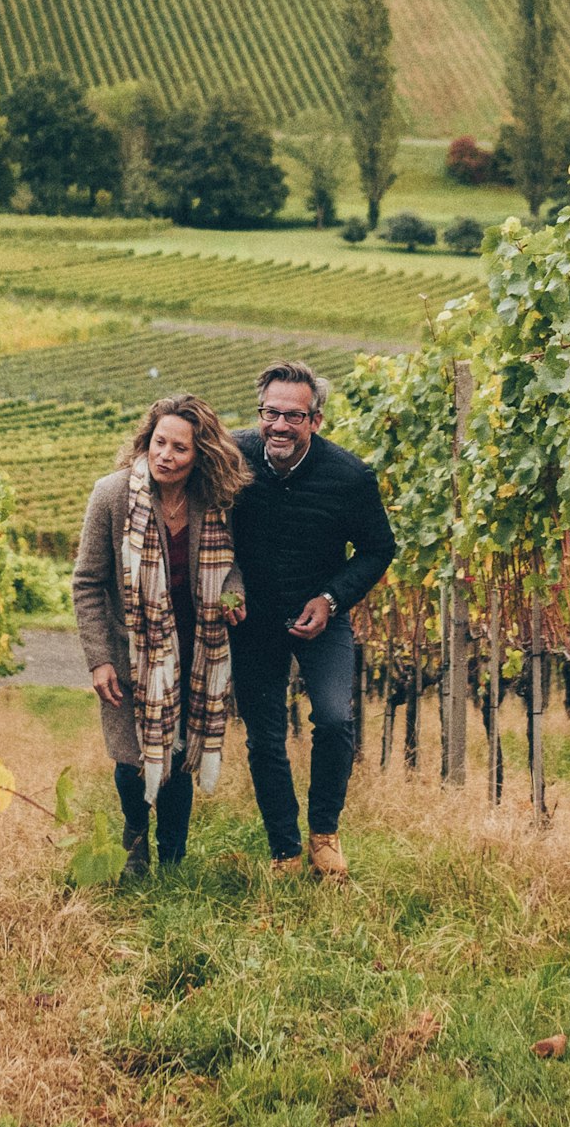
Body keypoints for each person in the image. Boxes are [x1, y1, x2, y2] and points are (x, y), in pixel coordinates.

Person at [228, 362, 396, 879]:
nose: (278, 425)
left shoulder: (350, 477)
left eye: (293, 416)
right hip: (254, 620)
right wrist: (230, 584)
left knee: (335, 717)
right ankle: (284, 849)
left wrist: (331, 598)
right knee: (265, 736)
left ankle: (324, 833)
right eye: (270, 413)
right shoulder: (231, 459)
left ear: (316, 420)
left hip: (320, 614)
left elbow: (377, 549)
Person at [69, 392, 247, 876]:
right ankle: (134, 842)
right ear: (146, 442)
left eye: (180, 448)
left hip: (196, 650)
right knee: (131, 757)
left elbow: (232, 565)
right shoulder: (112, 495)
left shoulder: (215, 503)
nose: (166, 456)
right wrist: (100, 658)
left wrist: (232, 591)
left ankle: (172, 855)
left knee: (179, 753)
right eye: (159, 443)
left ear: (200, 454)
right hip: (133, 652)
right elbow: (86, 582)